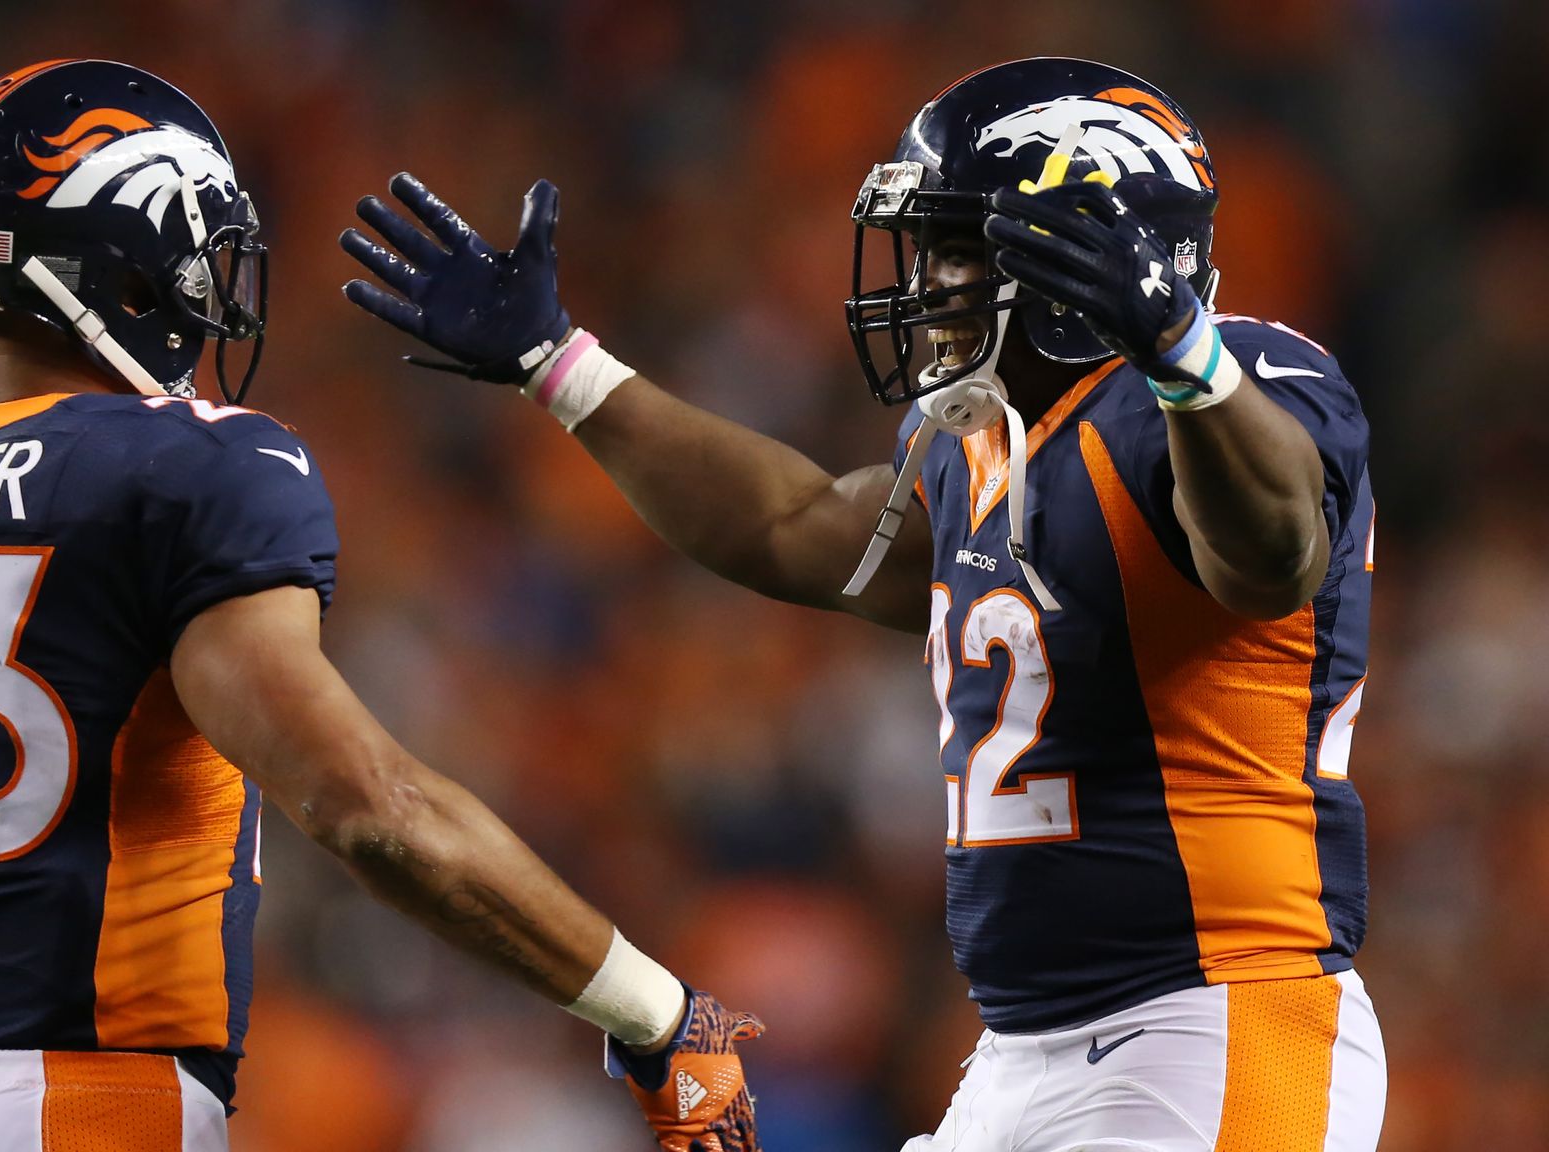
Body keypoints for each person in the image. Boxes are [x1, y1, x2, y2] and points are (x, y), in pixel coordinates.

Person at [0, 58, 762, 1152]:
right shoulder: (180, 470)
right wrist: (655, 1012)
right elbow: (369, 808)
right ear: (120, 258)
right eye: (195, 266)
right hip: (96, 1105)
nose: (209, 305)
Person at [341, 56, 1383, 1152]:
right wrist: (559, 366)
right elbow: (791, 529)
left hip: (1213, 1027)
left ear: (1079, 258)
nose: (924, 285)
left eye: (953, 252)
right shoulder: (982, 438)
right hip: (1022, 1056)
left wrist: (1181, 355)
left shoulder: (1243, 383)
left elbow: (1272, 559)